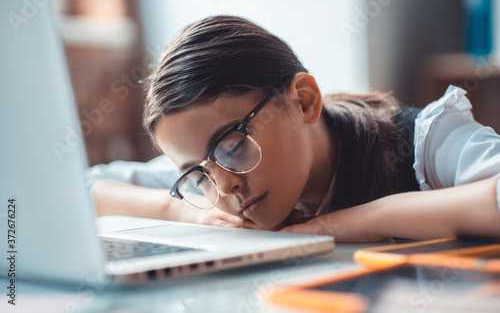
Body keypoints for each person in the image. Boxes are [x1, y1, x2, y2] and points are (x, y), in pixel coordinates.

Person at [87, 15, 500, 242]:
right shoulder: (211, 185)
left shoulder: (426, 141)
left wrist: (340, 224)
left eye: (230, 146)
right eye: (195, 174)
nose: (225, 188)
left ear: (303, 100)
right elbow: (85, 189)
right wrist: (181, 211)